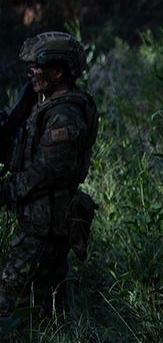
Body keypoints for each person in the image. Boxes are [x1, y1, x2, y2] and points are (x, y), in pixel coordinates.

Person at [0, 32, 99, 318]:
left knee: (7, 302)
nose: (31, 72)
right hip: (44, 221)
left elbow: (47, 172)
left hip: (47, 225)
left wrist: (6, 191)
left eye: (37, 66)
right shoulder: (46, 105)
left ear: (57, 72)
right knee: (45, 304)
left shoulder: (65, 114)